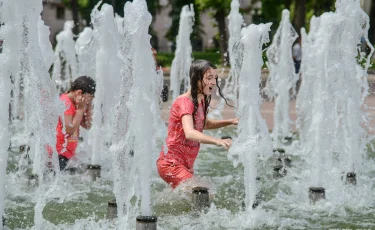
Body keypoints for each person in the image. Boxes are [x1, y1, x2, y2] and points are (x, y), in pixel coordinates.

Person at [156, 59, 239, 189]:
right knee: (203, 193)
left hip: (185, 164)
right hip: (171, 164)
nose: (213, 82)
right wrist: (218, 141)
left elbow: (205, 124)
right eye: (209, 78)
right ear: (196, 79)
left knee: (192, 198)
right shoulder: (184, 102)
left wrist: (231, 121)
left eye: (215, 78)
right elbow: (189, 133)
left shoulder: (201, 100)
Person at [55, 76, 95, 170]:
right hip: (58, 154)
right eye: (89, 98)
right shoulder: (65, 103)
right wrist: (81, 109)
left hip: (67, 154)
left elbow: (87, 125)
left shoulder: (76, 103)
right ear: (79, 93)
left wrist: (87, 108)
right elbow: (69, 129)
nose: (89, 101)